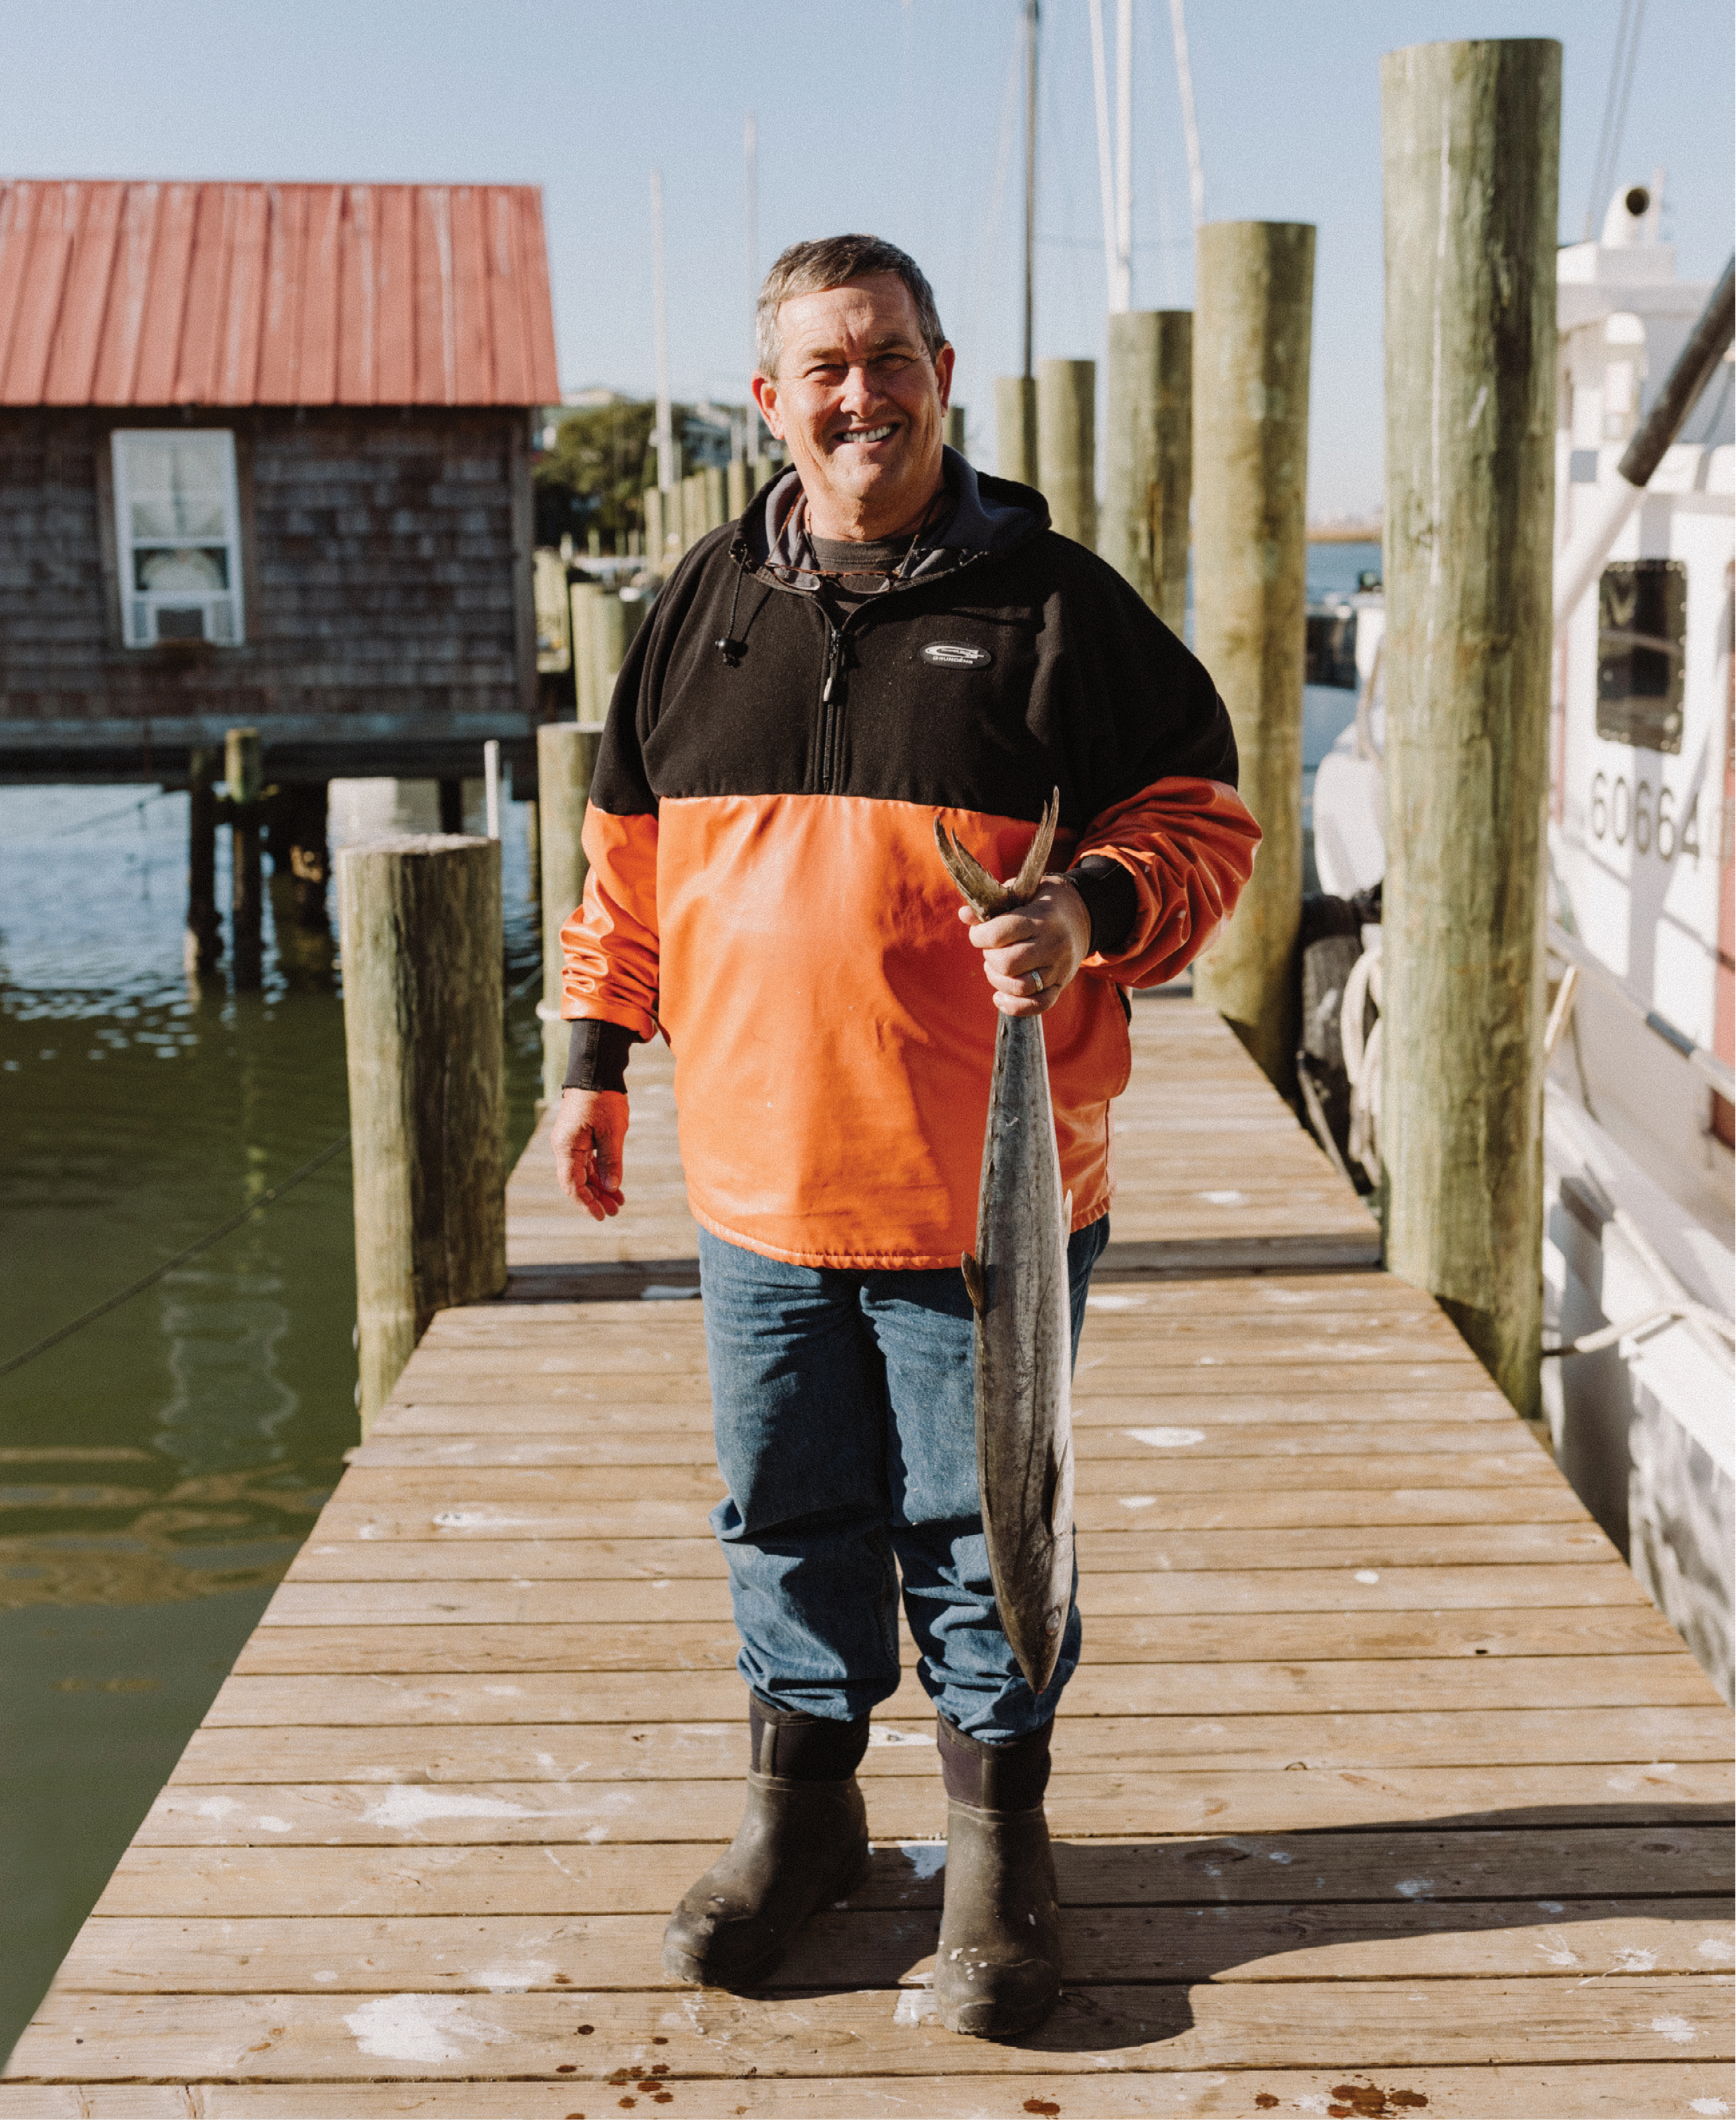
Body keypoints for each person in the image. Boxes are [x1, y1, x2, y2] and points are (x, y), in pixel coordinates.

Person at [552, 233, 1258, 2036]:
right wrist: (591, 1057)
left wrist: (1087, 908)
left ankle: (1000, 1846)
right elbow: (627, 867)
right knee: (783, 1515)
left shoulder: (1056, 608)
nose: (858, 395)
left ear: (942, 369)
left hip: (982, 1200)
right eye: (823, 369)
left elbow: (1203, 823)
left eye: (888, 358)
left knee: (979, 1525)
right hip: (760, 1184)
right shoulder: (701, 602)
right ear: (770, 401)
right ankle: (802, 1822)